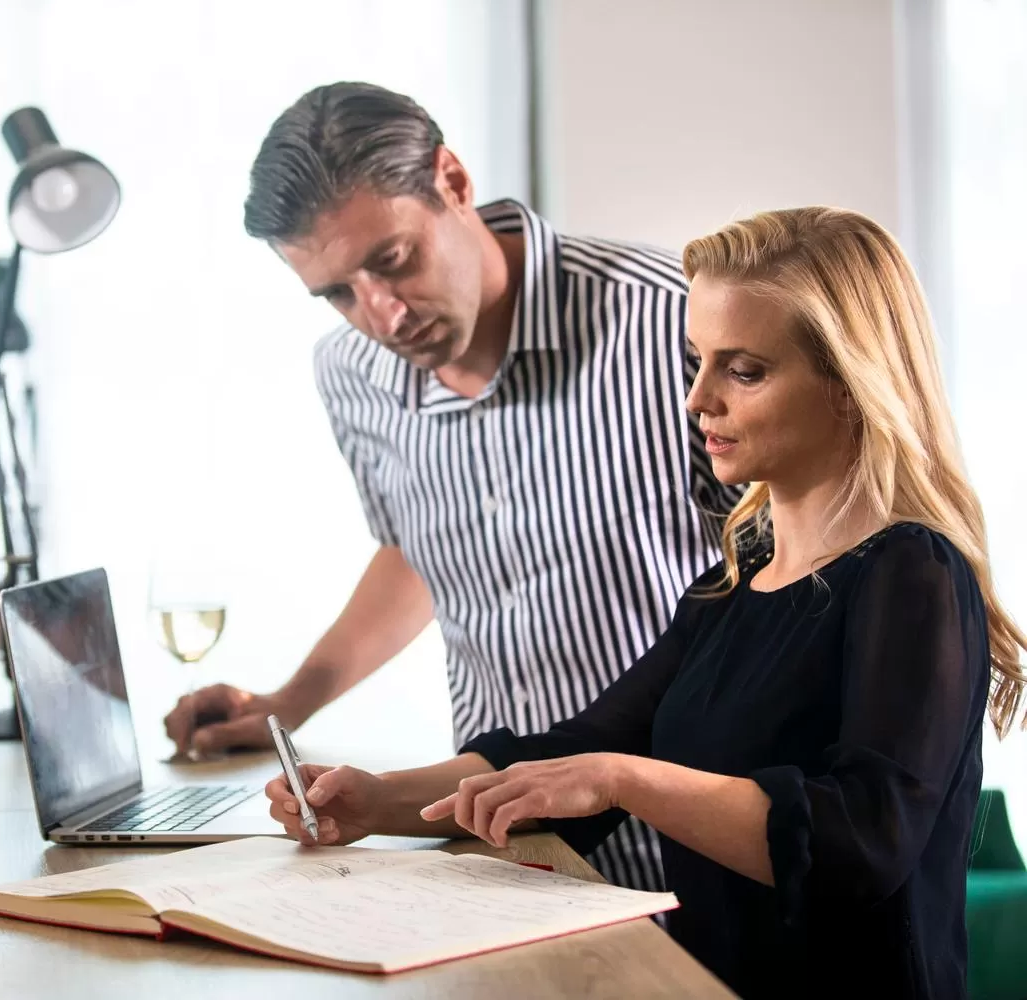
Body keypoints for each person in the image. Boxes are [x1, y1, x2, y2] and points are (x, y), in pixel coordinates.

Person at [264, 205, 1027, 999]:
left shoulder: (914, 574)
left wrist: (626, 779)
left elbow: (864, 841)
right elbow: (586, 741)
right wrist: (378, 801)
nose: (697, 400)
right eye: (698, 361)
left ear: (848, 384)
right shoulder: (737, 578)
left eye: (745, 370)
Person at [163, 82, 741, 891]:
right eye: (335, 293)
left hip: (695, 850)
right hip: (495, 846)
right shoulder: (352, 373)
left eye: (391, 260)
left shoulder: (672, 325)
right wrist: (288, 703)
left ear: (453, 182)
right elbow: (420, 551)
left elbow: (800, 583)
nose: (382, 316)